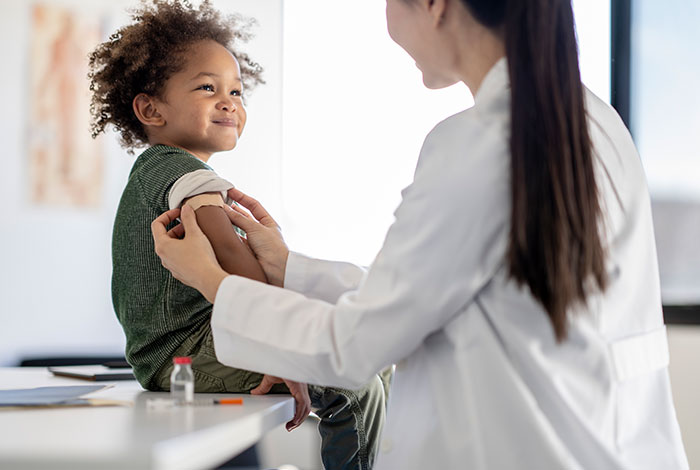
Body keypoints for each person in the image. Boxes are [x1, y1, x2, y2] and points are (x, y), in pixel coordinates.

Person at [151, 0, 689, 468]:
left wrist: (212, 281)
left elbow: (355, 344)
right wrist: (289, 266)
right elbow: (444, 295)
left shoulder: (478, 144)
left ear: (434, 4)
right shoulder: (595, 121)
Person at [88, 1, 387, 469]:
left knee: (367, 360)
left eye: (236, 91)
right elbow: (228, 250)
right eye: (207, 88)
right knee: (356, 383)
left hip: (169, 353)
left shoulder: (157, 174)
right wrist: (275, 339)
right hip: (187, 353)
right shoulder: (184, 174)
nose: (229, 102)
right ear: (150, 108)